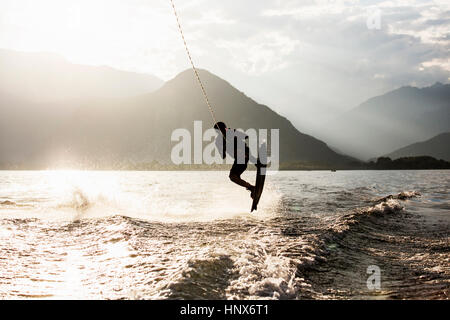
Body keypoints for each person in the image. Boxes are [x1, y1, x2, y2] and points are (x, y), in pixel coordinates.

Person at [214, 121, 255, 198]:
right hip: (239, 159)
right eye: (220, 130)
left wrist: (234, 134)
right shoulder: (218, 141)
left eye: (224, 128)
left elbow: (246, 136)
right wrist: (224, 147)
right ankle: (251, 188)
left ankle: (251, 187)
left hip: (244, 153)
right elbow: (223, 156)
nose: (223, 130)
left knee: (233, 176)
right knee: (234, 177)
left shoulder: (231, 132)